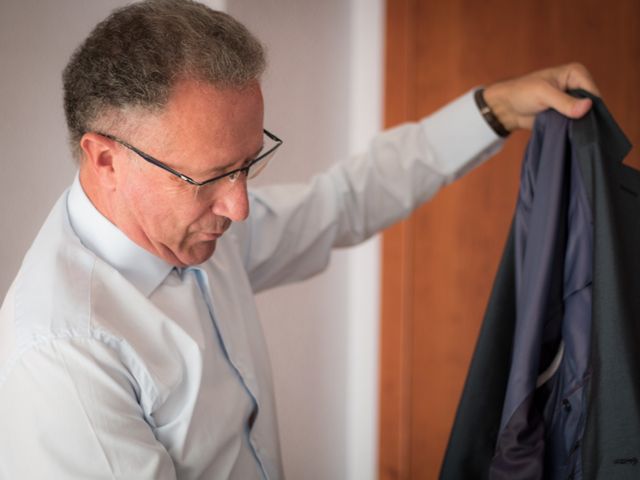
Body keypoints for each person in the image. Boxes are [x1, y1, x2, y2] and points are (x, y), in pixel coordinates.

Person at [0, 1, 599, 479]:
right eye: (209, 177)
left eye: (248, 165)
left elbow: (341, 202)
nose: (237, 207)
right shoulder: (62, 356)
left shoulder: (197, 225)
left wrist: (492, 108)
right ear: (105, 159)